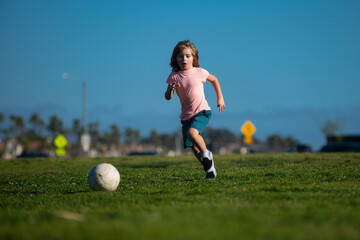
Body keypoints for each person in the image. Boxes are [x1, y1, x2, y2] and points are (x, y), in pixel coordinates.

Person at [165, 40, 225, 179]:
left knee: (193, 134)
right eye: (180, 56)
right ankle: (209, 170)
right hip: (186, 116)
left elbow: (214, 79)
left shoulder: (199, 72)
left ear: (193, 58)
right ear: (176, 59)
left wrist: (220, 98)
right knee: (193, 147)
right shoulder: (173, 76)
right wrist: (170, 90)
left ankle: (207, 154)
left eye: (187, 56)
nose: (184, 59)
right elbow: (168, 97)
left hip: (202, 111)